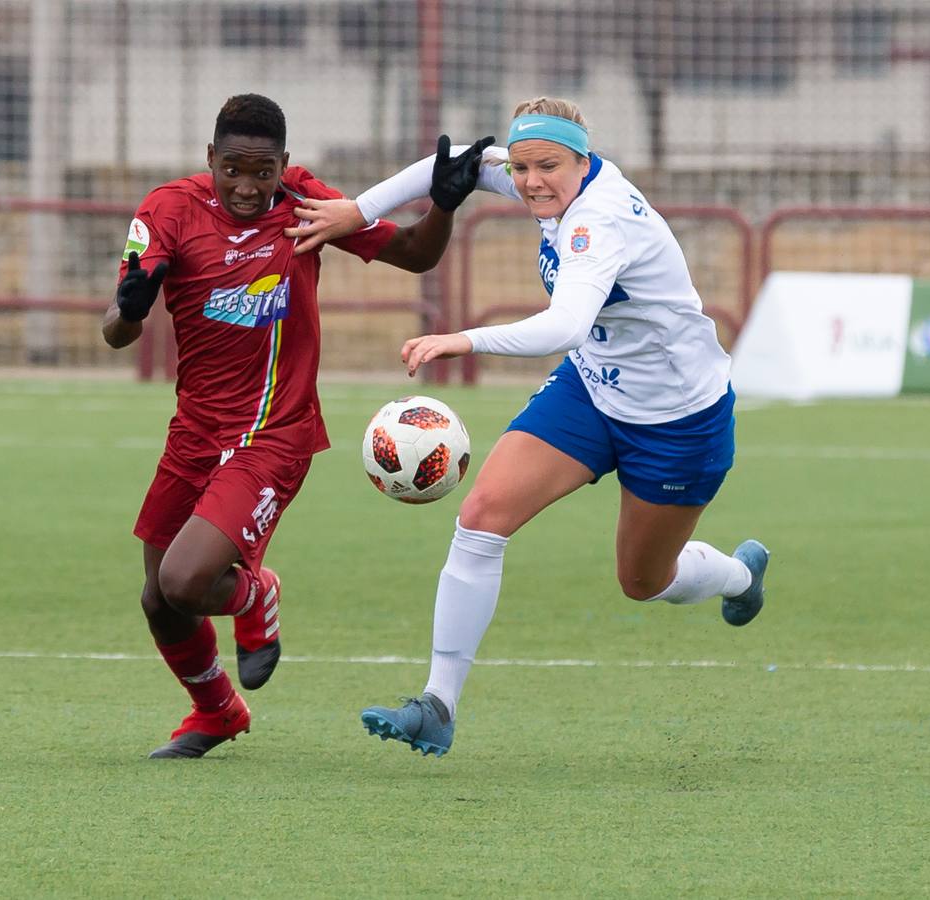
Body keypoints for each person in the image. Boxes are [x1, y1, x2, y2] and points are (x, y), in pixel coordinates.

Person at [287, 97, 770, 758]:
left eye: (549, 166)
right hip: (591, 390)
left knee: (642, 580)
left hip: (676, 419)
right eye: (519, 167)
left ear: (584, 158)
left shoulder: (598, 222)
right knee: (481, 514)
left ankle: (738, 578)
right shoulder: (532, 176)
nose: (531, 180)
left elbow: (564, 325)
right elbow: (444, 167)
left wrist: (463, 338)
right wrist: (358, 211)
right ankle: (437, 704)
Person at [102, 94, 484, 759]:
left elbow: (416, 255)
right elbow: (115, 331)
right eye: (232, 170)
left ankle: (256, 595)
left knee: (188, 582)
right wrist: (130, 309)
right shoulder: (166, 209)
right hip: (193, 432)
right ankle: (217, 713)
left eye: (262, 172)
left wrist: (443, 205)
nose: (247, 188)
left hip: (274, 433)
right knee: (158, 599)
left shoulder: (306, 204)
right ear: (209, 160)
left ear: (284, 164)